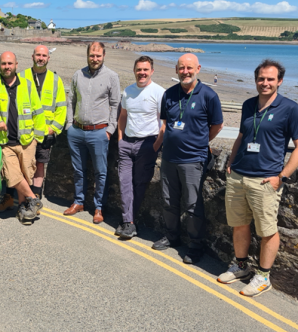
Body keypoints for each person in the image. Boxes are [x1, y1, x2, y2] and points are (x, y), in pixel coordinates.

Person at [218, 60, 298, 297]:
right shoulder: (248, 104)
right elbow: (241, 136)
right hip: (239, 176)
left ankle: (263, 277)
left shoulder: (290, 108)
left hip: (265, 181)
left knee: (267, 231)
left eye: (270, 79)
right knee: (239, 224)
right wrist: (231, 162)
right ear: (255, 80)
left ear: (280, 81)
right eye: (261, 79)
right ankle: (241, 267)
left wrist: (281, 177)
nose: (265, 83)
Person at [152, 53, 224, 264]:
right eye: (181, 68)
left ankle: (195, 245)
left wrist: (200, 142)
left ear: (198, 68)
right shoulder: (170, 94)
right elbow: (165, 123)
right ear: (176, 69)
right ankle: (172, 237)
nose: (185, 71)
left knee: (192, 205)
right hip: (169, 158)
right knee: (168, 201)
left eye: (189, 68)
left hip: (194, 160)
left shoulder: (208, 95)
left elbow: (217, 125)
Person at [0, 51, 46, 225]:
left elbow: (38, 113)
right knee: (12, 175)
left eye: (10, 64)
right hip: (5, 142)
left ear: (16, 65)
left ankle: (25, 212)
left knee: (25, 176)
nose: (7, 67)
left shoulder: (28, 85)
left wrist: (37, 138)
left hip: (27, 141)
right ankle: (33, 198)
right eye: (3, 64)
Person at [64, 42, 120, 224]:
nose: (95, 59)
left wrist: (110, 130)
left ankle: (99, 207)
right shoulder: (77, 75)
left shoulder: (112, 76)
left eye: (98, 56)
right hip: (77, 131)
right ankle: (79, 202)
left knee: (100, 172)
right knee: (78, 170)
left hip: (99, 132)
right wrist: (69, 125)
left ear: (104, 56)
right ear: (87, 55)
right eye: (92, 55)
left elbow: (115, 105)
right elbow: (71, 99)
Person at [116, 56, 165, 240]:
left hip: (147, 143)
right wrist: (120, 139)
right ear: (134, 71)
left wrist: (156, 145)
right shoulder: (128, 91)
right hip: (127, 142)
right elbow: (122, 116)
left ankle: (128, 222)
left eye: (145, 70)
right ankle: (129, 222)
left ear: (151, 71)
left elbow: (164, 122)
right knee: (124, 182)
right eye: (139, 70)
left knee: (140, 183)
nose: (142, 73)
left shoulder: (159, 92)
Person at [18, 45, 67, 207]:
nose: (41, 58)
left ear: (48, 58)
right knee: (22, 165)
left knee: (40, 164)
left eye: (44, 55)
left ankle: (36, 196)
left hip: (45, 132)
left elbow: (61, 107)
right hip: (25, 131)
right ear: (32, 56)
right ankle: (20, 198)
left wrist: (53, 129)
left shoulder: (55, 80)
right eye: (38, 55)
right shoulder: (22, 76)